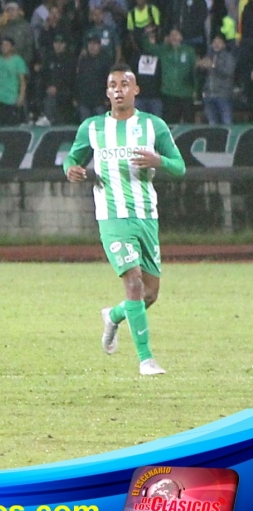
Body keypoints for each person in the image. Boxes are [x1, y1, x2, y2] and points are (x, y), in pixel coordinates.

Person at [63, 63, 186, 376]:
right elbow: (72, 159)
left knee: (149, 294)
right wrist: (71, 170)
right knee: (133, 283)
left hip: (146, 215)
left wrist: (158, 160)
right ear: (107, 92)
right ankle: (146, 360)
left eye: (124, 84)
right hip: (111, 217)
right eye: (113, 85)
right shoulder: (91, 127)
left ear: (136, 90)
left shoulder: (153, 126)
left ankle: (114, 315)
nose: (118, 90)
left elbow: (180, 166)